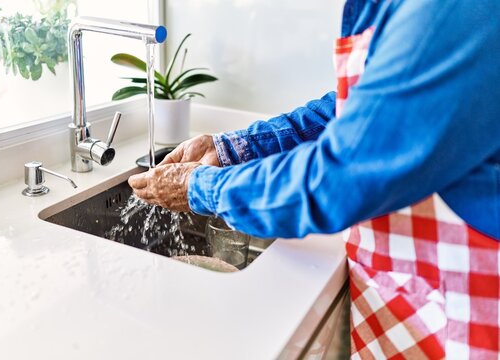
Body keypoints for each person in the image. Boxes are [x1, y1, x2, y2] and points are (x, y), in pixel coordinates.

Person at [129, 1, 500, 358]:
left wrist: (200, 187)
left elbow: (339, 177)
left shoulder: (454, 9)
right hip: (415, 306)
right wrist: (231, 148)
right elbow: (351, 106)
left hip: (468, 319)